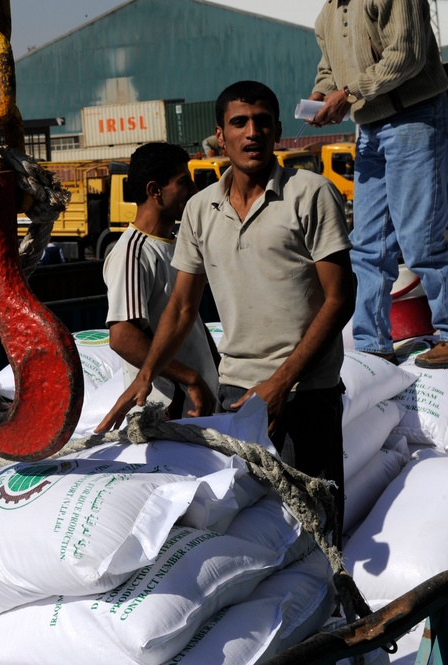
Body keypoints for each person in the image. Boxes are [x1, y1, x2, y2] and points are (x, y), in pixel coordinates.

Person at [95, 81, 355, 531]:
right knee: (248, 531)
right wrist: (146, 374)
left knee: (315, 533)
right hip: (235, 397)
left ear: (276, 132)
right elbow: (180, 306)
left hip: (304, 394)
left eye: (262, 122)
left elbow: (340, 298)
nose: (251, 132)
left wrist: (280, 383)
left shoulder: (312, 193)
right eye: (239, 123)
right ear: (221, 135)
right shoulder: (200, 209)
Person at [308, 0, 448, 368]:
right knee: (367, 245)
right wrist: (321, 94)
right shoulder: (327, 14)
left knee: (421, 241)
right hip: (370, 126)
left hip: (414, 117)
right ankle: (373, 343)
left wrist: (349, 93)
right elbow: (329, 69)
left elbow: (406, 55)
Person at [101, 141, 219, 420]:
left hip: (197, 407)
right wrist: (190, 377)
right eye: (183, 182)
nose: (193, 191)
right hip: (167, 412)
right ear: (155, 191)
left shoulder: (177, 245)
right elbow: (123, 337)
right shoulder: (133, 253)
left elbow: (191, 325)